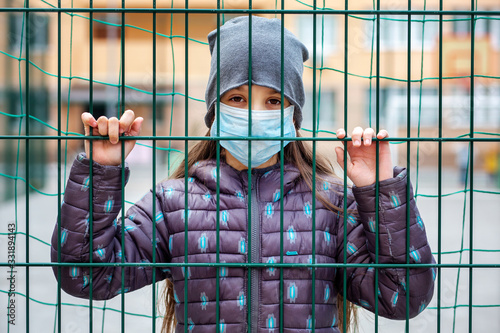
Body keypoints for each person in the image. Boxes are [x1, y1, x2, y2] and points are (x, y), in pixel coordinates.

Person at [51, 16, 435, 333]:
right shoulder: (172, 202)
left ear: (293, 114)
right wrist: (100, 170)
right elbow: (85, 275)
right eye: (237, 98)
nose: (254, 114)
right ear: (215, 108)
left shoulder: (330, 203)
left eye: (273, 101)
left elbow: (403, 297)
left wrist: (380, 191)